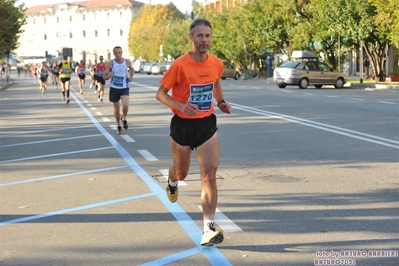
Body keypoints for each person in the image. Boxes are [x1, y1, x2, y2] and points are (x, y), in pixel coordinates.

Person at [155, 18, 232, 247]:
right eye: (200, 36)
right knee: (182, 173)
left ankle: (208, 227)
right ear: (191, 38)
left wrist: (221, 102)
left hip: (206, 123)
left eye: (207, 36)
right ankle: (171, 181)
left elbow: (215, 83)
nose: (204, 40)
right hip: (182, 124)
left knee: (209, 175)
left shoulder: (216, 63)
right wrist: (180, 105)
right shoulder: (179, 65)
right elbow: (161, 93)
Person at [103, 46, 134, 135]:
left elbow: (132, 69)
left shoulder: (126, 62)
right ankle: (118, 125)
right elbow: (104, 77)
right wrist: (108, 76)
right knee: (117, 108)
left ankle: (124, 118)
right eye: (116, 53)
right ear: (114, 54)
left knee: (126, 105)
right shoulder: (110, 63)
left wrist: (131, 76)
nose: (118, 55)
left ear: (122, 53)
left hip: (124, 87)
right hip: (114, 88)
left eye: (119, 53)